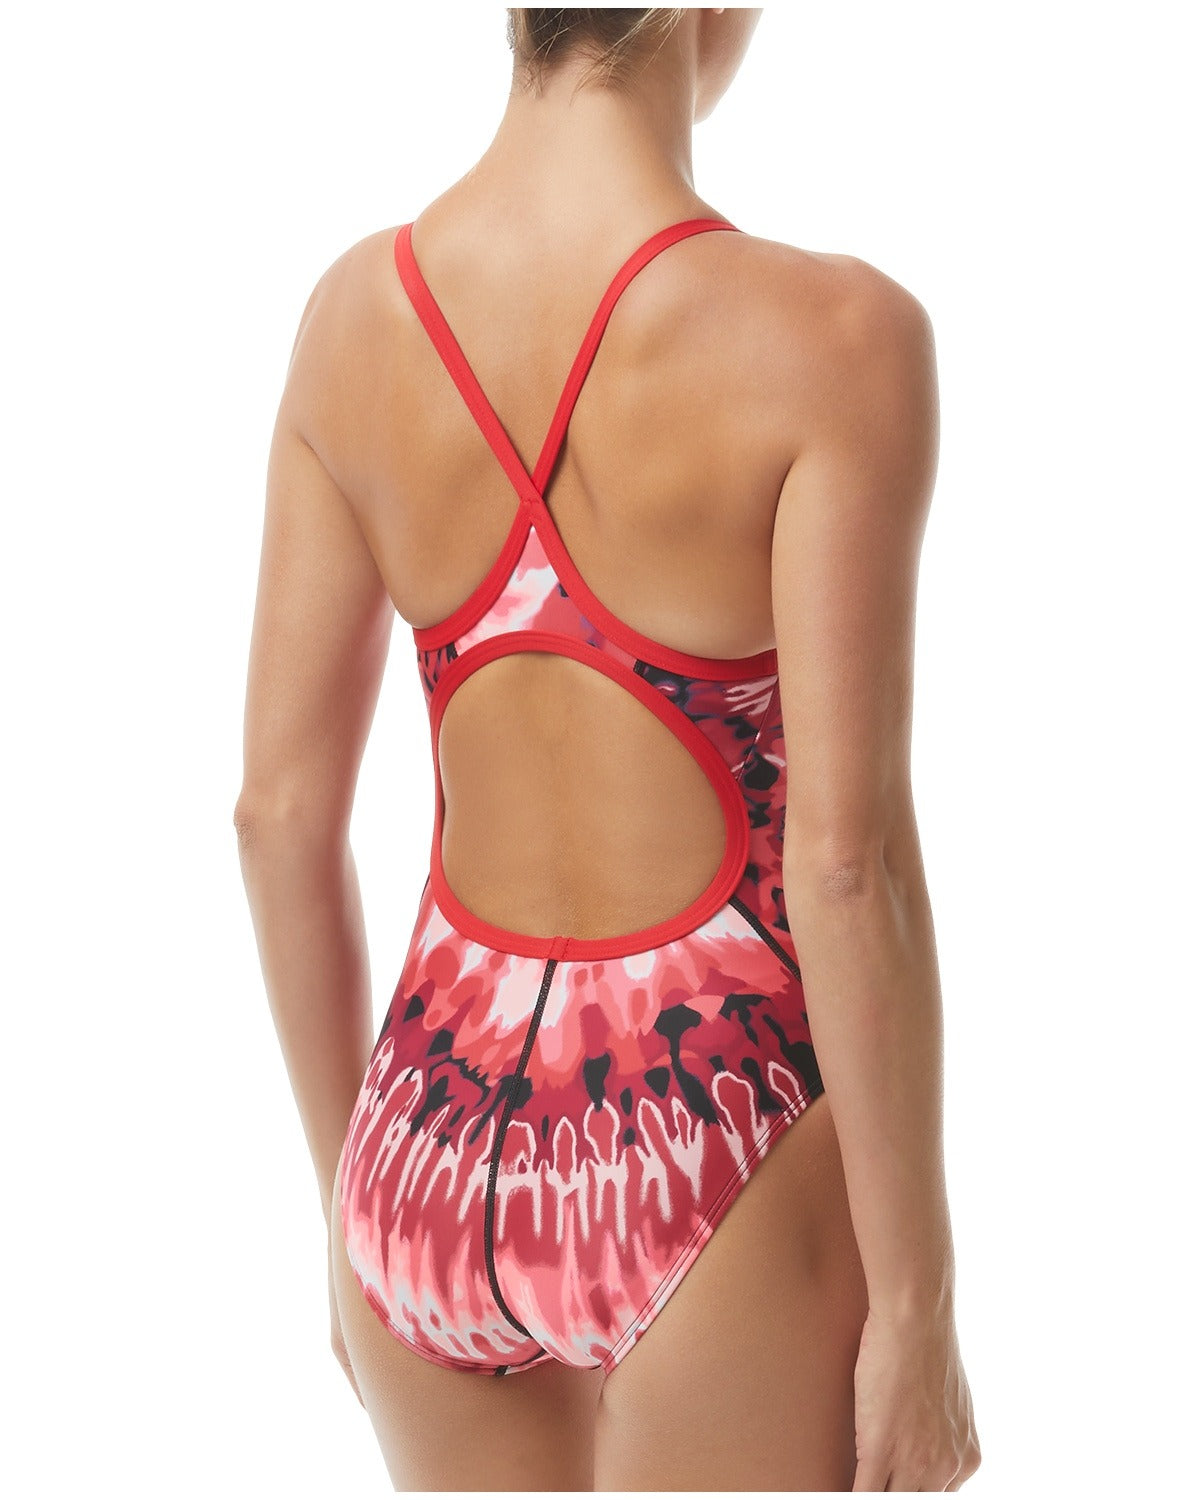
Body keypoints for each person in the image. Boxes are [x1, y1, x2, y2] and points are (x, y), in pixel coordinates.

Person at [234, 7, 981, 1491]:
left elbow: (277, 814)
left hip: (422, 1145)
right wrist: (919, 1305)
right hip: (709, 1131)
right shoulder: (835, 339)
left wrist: (345, 1216)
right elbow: (847, 867)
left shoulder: (351, 318)